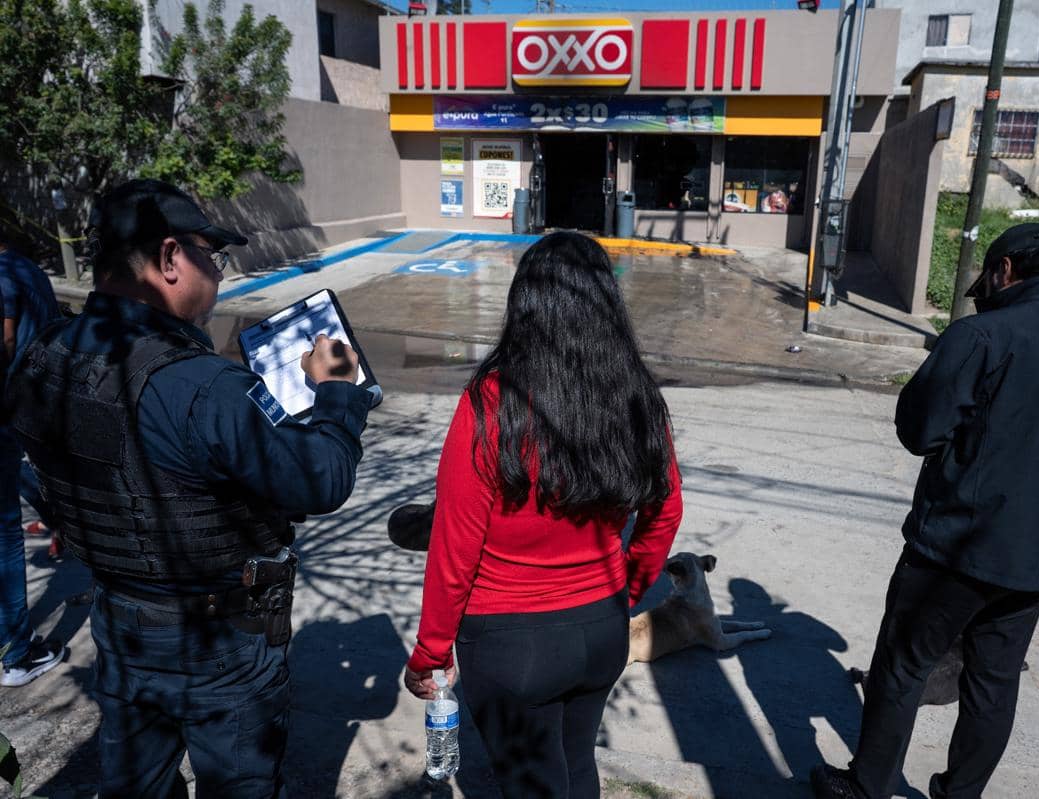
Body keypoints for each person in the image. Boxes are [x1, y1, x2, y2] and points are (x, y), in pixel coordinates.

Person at [3, 179, 374, 797]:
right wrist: (337, 391)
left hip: (120, 627)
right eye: (214, 255)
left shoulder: (45, 356)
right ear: (171, 258)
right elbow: (321, 480)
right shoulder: (203, 388)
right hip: (218, 645)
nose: (221, 274)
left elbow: (46, 468)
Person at [810, 223, 1039, 799]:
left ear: (1005, 270)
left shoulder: (982, 335)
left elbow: (919, 430)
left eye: (987, 277)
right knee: (993, 681)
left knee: (902, 665)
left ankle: (866, 788)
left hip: (957, 547)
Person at [403, 232, 683, 799]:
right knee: (577, 768)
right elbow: (666, 509)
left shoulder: (489, 403)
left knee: (538, 785)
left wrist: (431, 651)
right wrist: (626, 591)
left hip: (510, 642)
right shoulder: (636, 396)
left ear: (523, 304)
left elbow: (455, 544)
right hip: (601, 627)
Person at [0, 228, 64, 686]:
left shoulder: (5, 276)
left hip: (9, 410)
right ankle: (16, 651)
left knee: (3, 535)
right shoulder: (25, 271)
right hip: (26, 406)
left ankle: (18, 652)